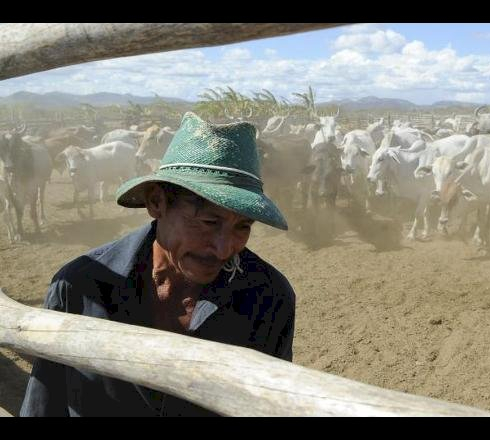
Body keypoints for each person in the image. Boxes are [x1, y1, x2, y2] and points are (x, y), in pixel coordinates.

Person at [20, 112, 296, 416]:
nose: (223, 248)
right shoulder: (79, 288)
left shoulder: (268, 297)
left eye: (243, 227)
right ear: (156, 202)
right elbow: (43, 407)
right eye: (208, 222)